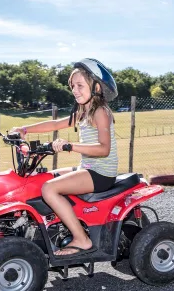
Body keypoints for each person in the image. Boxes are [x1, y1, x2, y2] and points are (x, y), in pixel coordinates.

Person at [10, 58, 119, 257]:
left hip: (101, 173)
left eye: (80, 85)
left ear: (96, 86)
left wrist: (70, 146)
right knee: (45, 178)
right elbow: (54, 124)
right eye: (72, 86)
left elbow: (104, 149)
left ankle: (82, 240)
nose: (74, 90)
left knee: (49, 189)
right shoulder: (83, 111)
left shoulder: (101, 112)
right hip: (88, 168)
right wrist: (24, 129)